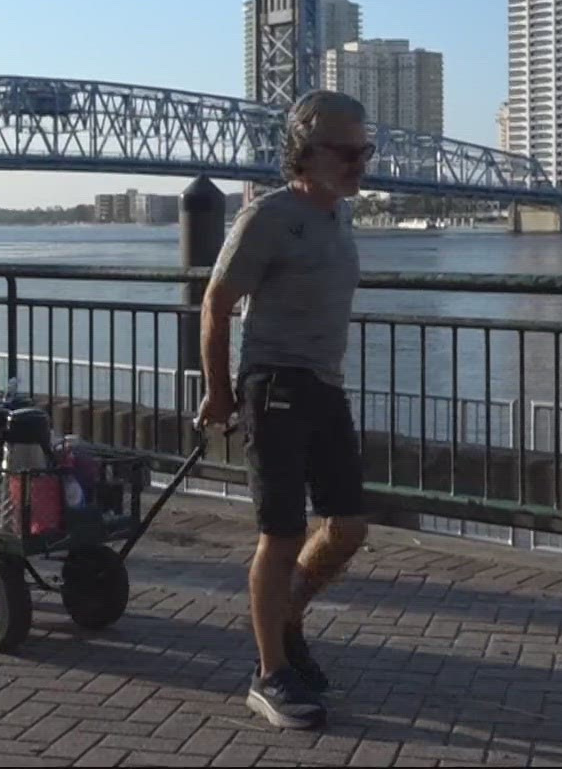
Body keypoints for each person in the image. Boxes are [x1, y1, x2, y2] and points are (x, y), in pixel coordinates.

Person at [196, 89, 374, 730]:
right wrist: (219, 391)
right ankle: (269, 674)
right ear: (304, 151)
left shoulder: (340, 217)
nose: (360, 163)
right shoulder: (268, 218)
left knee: (348, 526)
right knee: (282, 533)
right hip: (273, 388)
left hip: (324, 386)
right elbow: (216, 306)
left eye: (366, 150)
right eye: (345, 151)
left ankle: (287, 615)